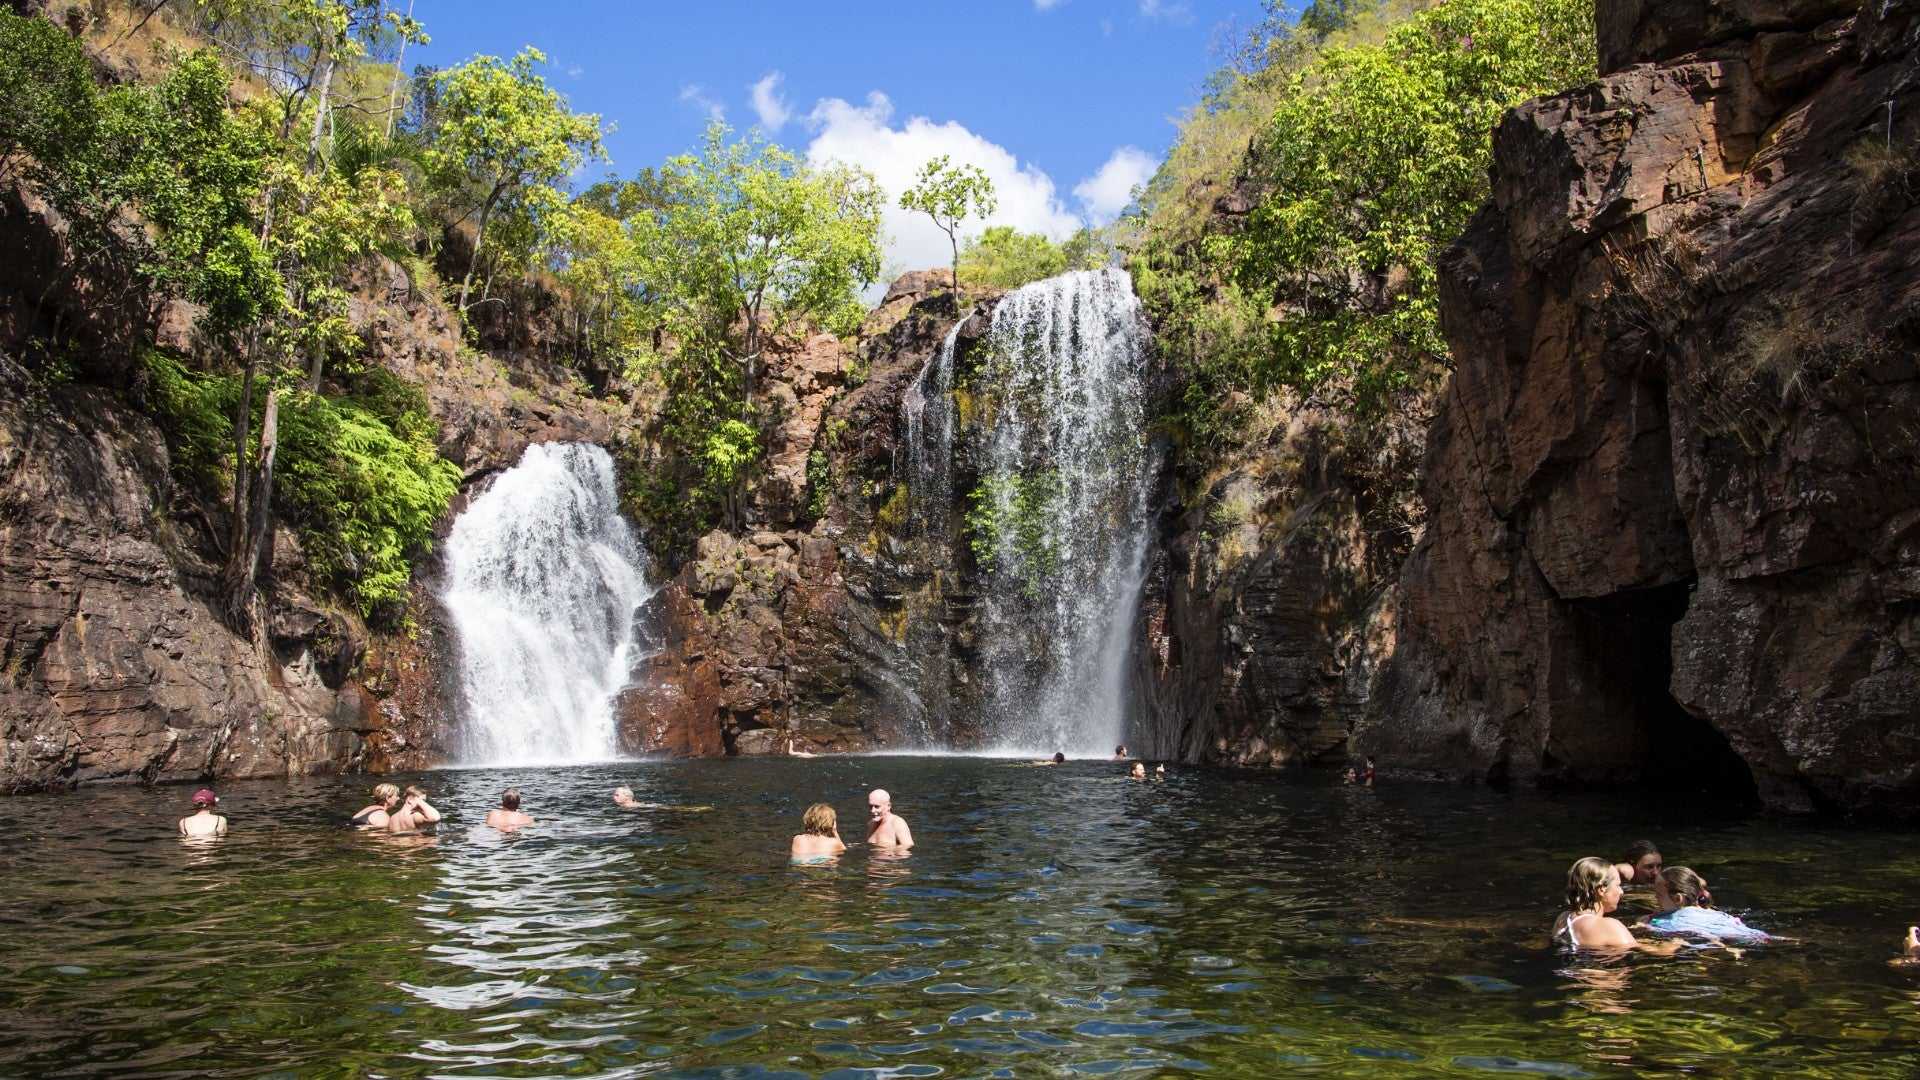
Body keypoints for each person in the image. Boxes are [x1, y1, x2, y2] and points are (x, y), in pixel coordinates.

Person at [1553, 856, 1683, 954]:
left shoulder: (1563, 919)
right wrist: (1676, 941)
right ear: (1601, 889)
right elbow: (1661, 953)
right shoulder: (1610, 925)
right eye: (1618, 885)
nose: (1621, 892)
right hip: (1606, 984)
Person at [1645, 867, 1772, 944]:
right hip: (1754, 934)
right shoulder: (1715, 913)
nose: (1656, 898)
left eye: (1658, 895)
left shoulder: (1668, 920)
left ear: (1678, 899)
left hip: (1715, 939)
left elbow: (1666, 950)